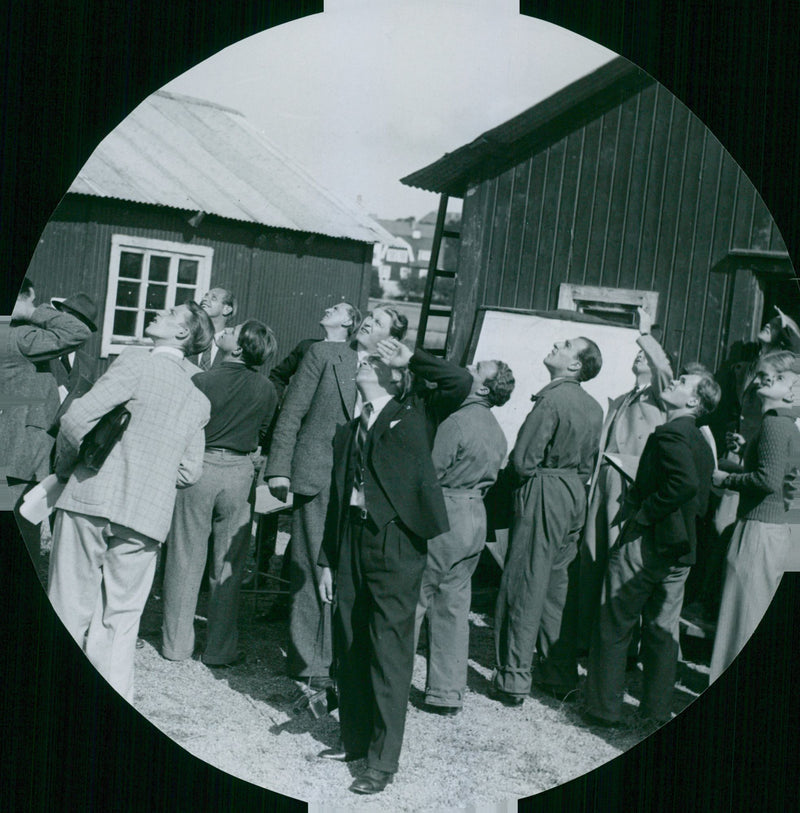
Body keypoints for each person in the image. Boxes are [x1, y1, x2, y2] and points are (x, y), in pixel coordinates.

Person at [47, 302, 213, 702]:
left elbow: (75, 419)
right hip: (147, 516)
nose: (160, 311)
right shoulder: (198, 400)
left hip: (92, 496)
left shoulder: (136, 362)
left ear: (182, 335)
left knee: (69, 606)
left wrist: (68, 470)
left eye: (171, 313)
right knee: (121, 619)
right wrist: (151, 476)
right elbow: (190, 472)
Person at [317, 355, 449, 795]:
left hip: (395, 542)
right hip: (352, 538)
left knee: (388, 651)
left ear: (393, 376)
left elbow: (459, 381)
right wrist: (327, 561)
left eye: (372, 362)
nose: (362, 364)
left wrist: (409, 358)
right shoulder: (350, 427)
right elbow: (338, 498)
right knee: (350, 638)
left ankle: (382, 761)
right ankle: (354, 740)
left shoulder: (412, 416)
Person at [264, 306, 407, 685]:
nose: (366, 322)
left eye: (377, 321)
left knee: (350, 570)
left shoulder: (396, 374)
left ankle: (343, 657)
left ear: (392, 338)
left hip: (368, 483)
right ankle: (311, 664)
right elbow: (292, 412)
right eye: (367, 315)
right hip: (319, 475)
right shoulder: (326, 355)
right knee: (312, 565)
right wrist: (279, 467)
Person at [584, 367, 721, 726]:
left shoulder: (670, 434)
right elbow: (702, 498)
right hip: (681, 550)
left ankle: (603, 708)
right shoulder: (700, 439)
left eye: (681, 383)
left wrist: (644, 514)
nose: (672, 383)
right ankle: (656, 712)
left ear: (693, 400)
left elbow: (684, 484)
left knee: (615, 623)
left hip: (648, 543)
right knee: (662, 631)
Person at [491, 337, 603, 707]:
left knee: (525, 582)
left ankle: (513, 678)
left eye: (567, 345)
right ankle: (558, 674)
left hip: (544, 489)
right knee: (558, 587)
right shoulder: (592, 406)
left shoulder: (551, 399)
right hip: (574, 493)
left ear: (575, 366)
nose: (557, 344)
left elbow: (523, 461)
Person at [161, 320, 278, 666]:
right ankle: (220, 649)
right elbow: (265, 432)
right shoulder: (267, 388)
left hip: (200, 468)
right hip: (241, 473)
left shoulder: (202, 380)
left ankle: (176, 646)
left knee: (185, 557)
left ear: (237, 348)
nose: (223, 333)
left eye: (230, 332)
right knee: (228, 563)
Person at [415, 358, 515, 716]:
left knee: (416, 597)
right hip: (476, 516)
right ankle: (446, 693)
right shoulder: (496, 428)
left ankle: (390, 681)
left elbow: (432, 472)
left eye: (475, 368)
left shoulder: (457, 421)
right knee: (454, 605)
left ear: (484, 387)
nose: (467, 368)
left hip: (446, 511)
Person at [249, 302, 362, 604]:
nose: (326, 308)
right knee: (304, 550)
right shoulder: (312, 349)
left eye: (336, 308)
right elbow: (289, 407)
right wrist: (279, 466)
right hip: (309, 466)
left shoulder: (361, 361)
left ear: (350, 322)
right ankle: (285, 606)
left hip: (346, 471)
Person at [578, 308, 673, 650]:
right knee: (592, 559)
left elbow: (663, 368)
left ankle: (621, 645)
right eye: (636, 353)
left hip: (628, 486)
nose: (639, 356)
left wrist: (645, 332)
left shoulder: (659, 396)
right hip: (602, 485)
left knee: (619, 566)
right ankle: (587, 639)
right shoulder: (620, 398)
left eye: (644, 354)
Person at [709, 351, 800, 682]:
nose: (764, 380)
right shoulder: (786, 425)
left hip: (760, 529)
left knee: (742, 619)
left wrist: (726, 479)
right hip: (776, 530)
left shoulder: (776, 424)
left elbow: (767, 481)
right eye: (762, 375)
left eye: (775, 378)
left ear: (793, 390)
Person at [0, 279, 93, 560]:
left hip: (14, 442)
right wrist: (26, 312)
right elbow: (78, 332)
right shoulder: (19, 336)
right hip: (21, 448)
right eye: (33, 301)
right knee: (21, 523)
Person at [197, 287, 236, 370]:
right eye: (205, 296)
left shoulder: (233, 345)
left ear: (226, 309)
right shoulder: (190, 336)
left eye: (213, 298)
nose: (204, 299)